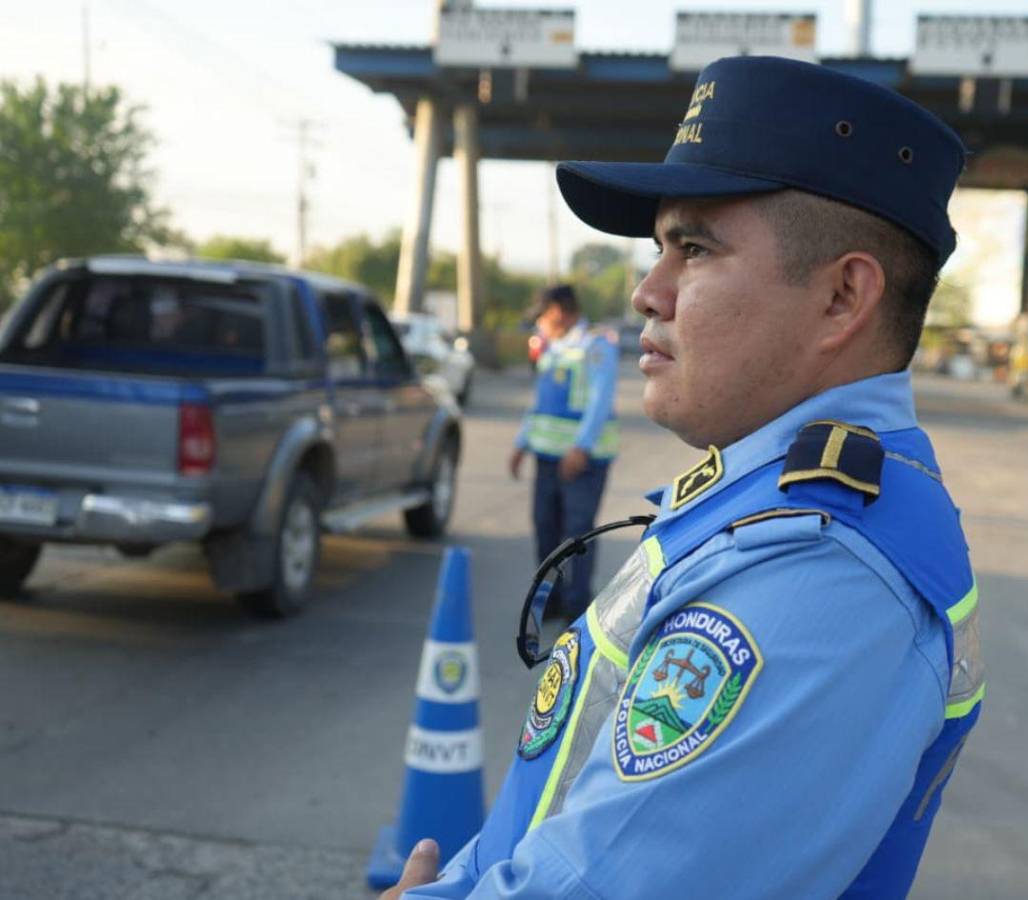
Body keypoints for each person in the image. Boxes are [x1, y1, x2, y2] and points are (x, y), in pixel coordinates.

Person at [385, 55, 984, 900]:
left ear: (843, 298)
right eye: (659, 248)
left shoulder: (822, 573)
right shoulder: (766, 488)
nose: (645, 291)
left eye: (694, 249)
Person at [508, 284, 620, 621]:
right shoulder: (553, 348)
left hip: (583, 461)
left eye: (542, 315)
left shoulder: (596, 346)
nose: (539, 323)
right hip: (546, 456)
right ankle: (549, 603)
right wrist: (521, 443)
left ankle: (577, 608)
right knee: (545, 529)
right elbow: (540, 403)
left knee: (577, 534)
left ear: (557, 311)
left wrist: (581, 447)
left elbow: (600, 402)